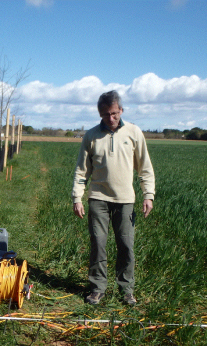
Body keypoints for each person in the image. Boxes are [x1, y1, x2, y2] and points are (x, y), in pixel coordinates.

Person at [72, 90, 155, 306]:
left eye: (115, 113)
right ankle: (97, 288)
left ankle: (126, 289)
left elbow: (145, 168)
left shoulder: (134, 133)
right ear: (100, 114)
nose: (111, 118)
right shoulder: (91, 136)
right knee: (98, 243)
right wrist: (77, 198)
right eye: (106, 114)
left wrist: (148, 195)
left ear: (121, 110)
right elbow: (81, 171)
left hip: (125, 200)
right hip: (98, 198)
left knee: (126, 245)